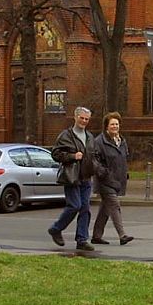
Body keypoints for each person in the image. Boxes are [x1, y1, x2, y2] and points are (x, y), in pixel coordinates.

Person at [48, 106, 97, 251]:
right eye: (81, 118)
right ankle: (56, 229)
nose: (84, 121)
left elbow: (93, 155)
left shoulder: (90, 137)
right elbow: (55, 154)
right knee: (75, 206)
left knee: (85, 208)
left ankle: (82, 239)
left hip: (86, 177)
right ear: (75, 117)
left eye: (86, 119)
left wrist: (95, 167)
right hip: (71, 176)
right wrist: (72, 156)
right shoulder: (66, 136)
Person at [91, 112, 134, 246]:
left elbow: (123, 159)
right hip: (105, 181)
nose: (115, 126)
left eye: (117, 124)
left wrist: (125, 174)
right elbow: (94, 160)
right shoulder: (99, 142)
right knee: (115, 205)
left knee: (105, 209)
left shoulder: (121, 141)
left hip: (117, 180)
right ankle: (122, 235)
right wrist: (103, 172)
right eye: (112, 124)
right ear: (106, 126)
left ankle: (96, 236)